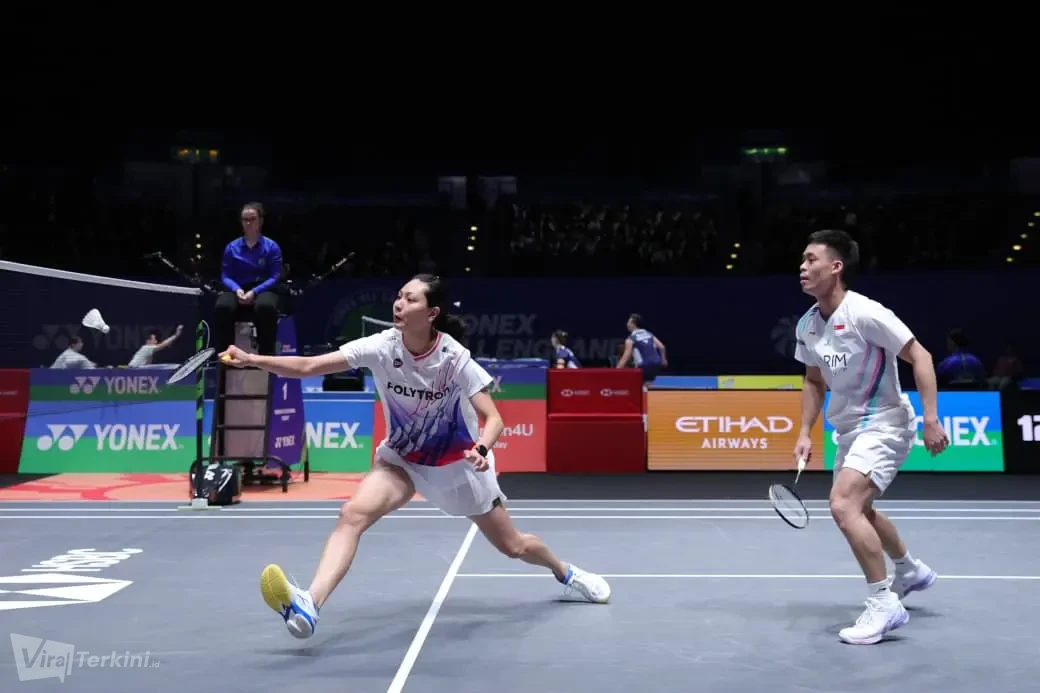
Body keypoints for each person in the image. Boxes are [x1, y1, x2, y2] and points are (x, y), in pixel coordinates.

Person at [219, 273, 611, 640]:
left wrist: (482, 449)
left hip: (457, 469)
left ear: (432, 312)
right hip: (402, 461)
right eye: (399, 296)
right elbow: (308, 366)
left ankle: (566, 572)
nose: (399, 303)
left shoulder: (454, 358)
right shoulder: (381, 346)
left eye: (410, 298)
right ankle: (309, 605)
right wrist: (255, 360)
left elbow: (493, 419)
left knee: (515, 547)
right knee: (352, 514)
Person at [793, 229, 949, 646]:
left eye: (811, 260)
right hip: (846, 428)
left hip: (885, 422)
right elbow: (812, 381)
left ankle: (883, 603)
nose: (802, 267)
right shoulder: (808, 325)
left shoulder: (865, 313)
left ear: (836, 266)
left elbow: (921, 356)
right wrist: (804, 432)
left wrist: (932, 419)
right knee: (861, 509)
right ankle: (911, 570)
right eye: (802, 260)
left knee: (843, 504)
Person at [213, 202, 284, 357]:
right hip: (237, 288)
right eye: (245, 219)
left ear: (260, 221)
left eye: (252, 219)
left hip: (263, 288)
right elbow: (225, 275)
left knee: (265, 307)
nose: (248, 223)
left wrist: (254, 291)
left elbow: (275, 276)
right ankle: (226, 354)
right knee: (222, 307)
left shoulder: (271, 247)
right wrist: (237, 289)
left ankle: (266, 354)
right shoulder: (231, 248)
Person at [615, 313, 667, 384]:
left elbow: (625, 357)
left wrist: (616, 371)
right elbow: (661, 347)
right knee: (648, 385)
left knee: (634, 386)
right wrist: (663, 360)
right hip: (656, 363)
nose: (627, 324)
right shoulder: (649, 334)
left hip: (643, 366)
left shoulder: (630, 339)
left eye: (628, 322)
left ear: (633, 324)